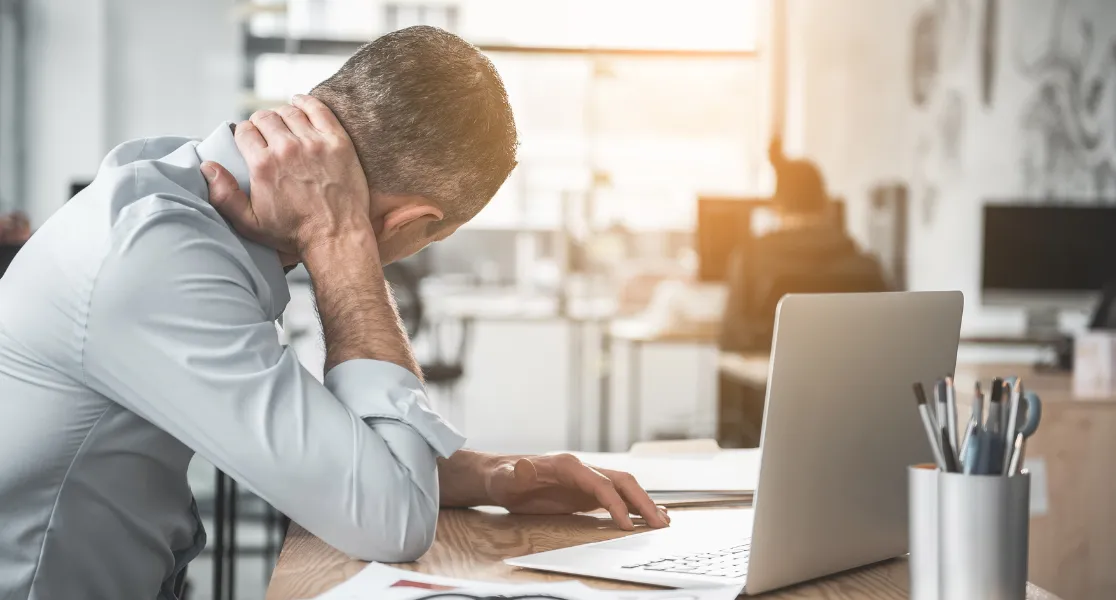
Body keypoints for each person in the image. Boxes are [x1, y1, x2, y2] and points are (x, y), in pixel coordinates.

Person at [0, 26, 667, 600]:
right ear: (412, 222)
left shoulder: (179, 191)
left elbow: (323, 444)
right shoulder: (160, 259)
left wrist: (500, 475)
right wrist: (342, 244)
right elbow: (390, 522)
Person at [719, 137, 888, 352]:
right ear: (825, 204)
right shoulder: (867, 267)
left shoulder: (749, 261)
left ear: (777, 207)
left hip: (772, 384)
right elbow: (888, 337)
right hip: (852, 383)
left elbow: (731, 341)